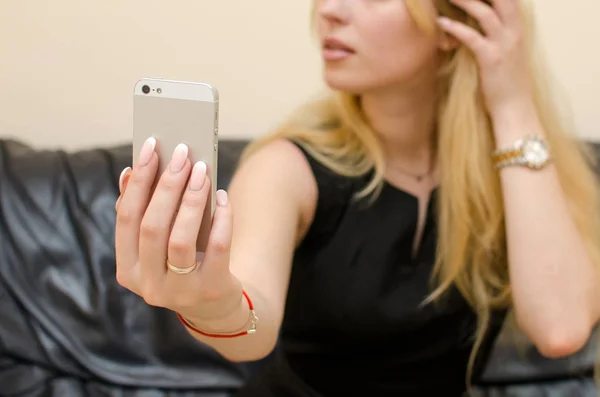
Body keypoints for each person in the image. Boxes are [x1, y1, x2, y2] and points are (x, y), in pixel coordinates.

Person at [114, 0, 600, 395]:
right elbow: (252, 327)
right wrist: (214, 305)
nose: (329, 11)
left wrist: (512, 104)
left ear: (453, 25)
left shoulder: (512, 175)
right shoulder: (287, 166)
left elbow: (560, 329)